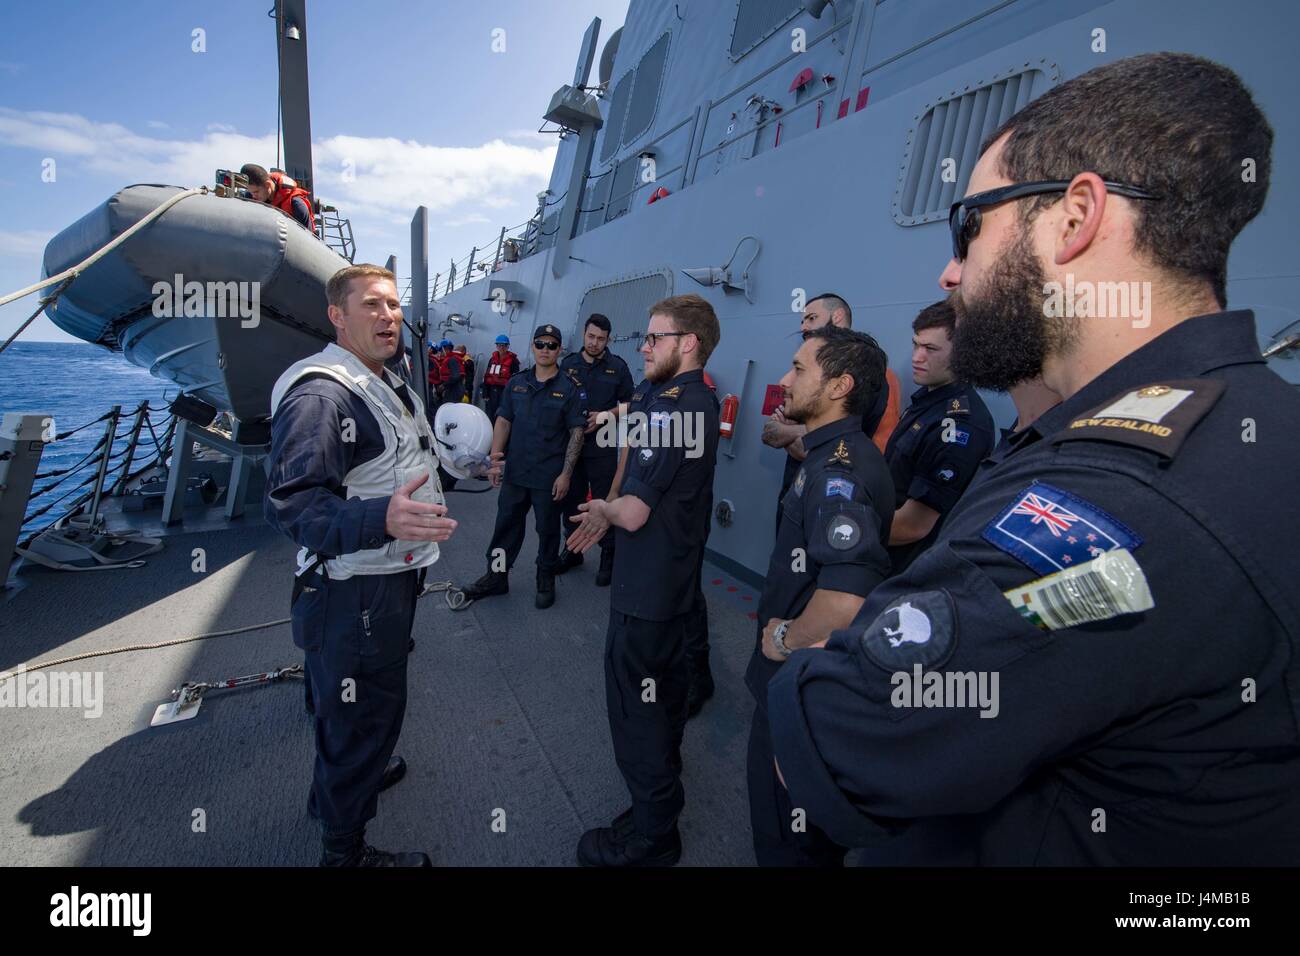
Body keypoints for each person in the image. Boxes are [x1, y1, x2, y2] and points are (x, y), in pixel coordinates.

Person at [766, 52, 1300, 866]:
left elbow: (833, 734)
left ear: (1076, 216)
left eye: (970, 225)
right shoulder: (1258, 423)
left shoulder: (1113, 495)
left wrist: (794, 651)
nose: (952, 270)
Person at [264, 264, 463, 867]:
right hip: (355, 592)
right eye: (372, 305)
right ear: (337, 316)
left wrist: (468, 467)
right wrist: (383, 519)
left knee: (354, 712)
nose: (388, 316)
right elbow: (295, 506)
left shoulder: (385, 381)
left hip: (385, 579)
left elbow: (409, 456)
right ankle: (345, 853)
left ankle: (344, 787)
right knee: (361, 717)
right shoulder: (323, 397)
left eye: (394, 305)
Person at [567, 294, 721, 867]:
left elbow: (633, 514)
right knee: (665, 694)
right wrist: (612, 502)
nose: (645, 347)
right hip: (671, 583)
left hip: (648, 591)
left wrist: (604, 511)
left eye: (655, 338)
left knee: (638, 712)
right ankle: (659, 800)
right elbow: (633, 458)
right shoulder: (679, 397)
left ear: (689, 343)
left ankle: (654, 836)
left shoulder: (677, 408)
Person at [747, 326, 894, 867]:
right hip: (807, 679)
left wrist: (784, 639)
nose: (784, 380)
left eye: (798, 368)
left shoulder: (838, 472)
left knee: (788, 836)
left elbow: (843, 601)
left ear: (839, 386)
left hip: (802, 681)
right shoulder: (831, 453)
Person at [458, 325, 586, 609]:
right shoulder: (516, 383)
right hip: (516, 472)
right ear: (533, 346)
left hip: (548, 477)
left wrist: (566, 475)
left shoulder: (570, 388)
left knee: (547, 531)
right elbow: (504, 421)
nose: (545, 349)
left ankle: (545, 578)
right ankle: (497, 576)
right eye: (540, 344)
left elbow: (577, 433)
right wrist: (494, 461)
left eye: (551, 345)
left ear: (559, 350)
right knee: (506, 527)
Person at [762, 293, 901, 536]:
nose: (804, 326)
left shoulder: (876, 377)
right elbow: (774, 431)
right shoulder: (804, 377)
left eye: (811, 317)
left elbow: (848, 439)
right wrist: (799, 434)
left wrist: (796, 434)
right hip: (797, 486)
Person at [882, 299, 995, 572]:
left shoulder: (960, 425)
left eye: (930, 349)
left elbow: (913, 526)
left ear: (963, 353)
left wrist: (846, 535)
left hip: (905, 569)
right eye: (916, 345)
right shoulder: (927, 400)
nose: (916, 357)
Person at [555, 313, 635, 586]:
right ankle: (573, 550)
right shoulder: (568, 365)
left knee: (605, 502)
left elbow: (632, 404)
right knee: (572, 501)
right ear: (584, 334)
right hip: (572, 449)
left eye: (601, 339)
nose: (594, 343)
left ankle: (608, 555)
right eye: (591, 336)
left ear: (608, 340)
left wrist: (606, 415)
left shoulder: (618, 367)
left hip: (602, 447)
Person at [241, 163, 315, 232]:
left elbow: (307, 237)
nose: (253, 196)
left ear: (268, 185)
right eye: (250, 192)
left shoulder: (297, 206)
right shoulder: (250, 197)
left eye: (256, 192)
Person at [482, 334, 520, 420]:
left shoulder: (513, 361)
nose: (502, 347)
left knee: (501, 415)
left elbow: (515, 380)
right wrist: (485, 392)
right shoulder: (492, 359)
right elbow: (487, 376)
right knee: (489, 415)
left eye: (504, 345)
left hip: (504, 392)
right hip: (491, 392)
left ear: (507, 346)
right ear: (497, 346)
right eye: (499, 345)